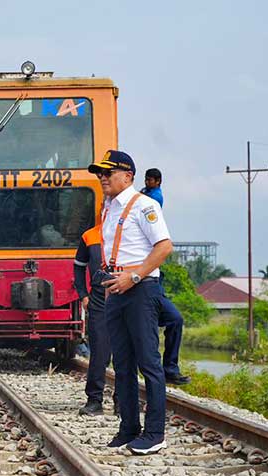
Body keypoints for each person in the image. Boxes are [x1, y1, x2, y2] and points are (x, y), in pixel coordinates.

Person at [89, 150, 173, 456]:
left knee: (148, 362)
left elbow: (164, 247)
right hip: (118, 291)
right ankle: (128, 428)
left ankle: (155, 432)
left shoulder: (145, 206)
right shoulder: (109, 209)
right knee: (122, 364)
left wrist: (134, 277)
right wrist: (115, 283)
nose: (102, 178)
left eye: (108, 173)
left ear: (128, 176)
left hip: (140, 291)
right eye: (100, 173)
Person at [140, 169, 189, 385]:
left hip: (154, 282)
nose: (147, 182)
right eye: (146, 179)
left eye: (151, 180)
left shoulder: (154, 198)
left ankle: (169, 368)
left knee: (175, 319)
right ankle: (149, 370)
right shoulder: (142, 199)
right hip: (141, 284)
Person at [74, 224, 111, 416]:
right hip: (98, 299)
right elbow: (78, 267)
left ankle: (123, 402)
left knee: (127, 352)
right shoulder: (90, 236)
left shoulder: (131, 230)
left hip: (127, 295)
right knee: (99, 352)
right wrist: (83, 294)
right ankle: (94, 401)